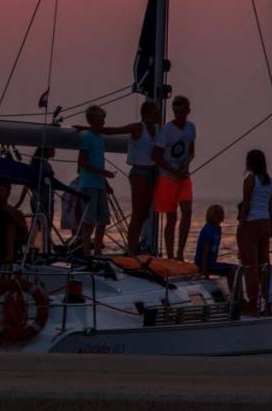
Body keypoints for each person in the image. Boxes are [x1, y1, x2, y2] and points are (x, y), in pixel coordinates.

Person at [100, 101, 160, 255]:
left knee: (145, 212)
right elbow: (115, 131)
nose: (158, 114)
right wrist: (92, 129)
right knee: (138, 212)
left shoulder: (158, 129)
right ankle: (132, 249)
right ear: (147, 113)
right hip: (139, 172)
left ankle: (136, 244)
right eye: (155, 112)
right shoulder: (138, 127)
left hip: (153, 173)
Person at [153, 95, 196, 260]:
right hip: (167, 177)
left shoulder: (191, 128)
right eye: (176, 111)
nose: (179, 114)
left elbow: (191, 151)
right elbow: (156, 155)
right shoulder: (167, 130)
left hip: (183, 177)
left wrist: (185, 165)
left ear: (187, 111)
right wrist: (173, 170)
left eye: (182, 111)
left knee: (187, 211)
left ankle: (180, 253)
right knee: (171, 217)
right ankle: (170, 255)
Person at [237, 149, 272, 315]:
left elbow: (246, 204)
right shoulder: (270, 183)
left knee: (250, 264)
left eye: (247, 160)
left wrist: (241, 223)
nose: (246, 162)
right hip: (265, 224)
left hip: (251, 224)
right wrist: (270, 224)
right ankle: (268, 300)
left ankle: (253, 302)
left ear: (252, 162)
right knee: (264, 263)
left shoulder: (250, 180)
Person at [77, 105, 114, 256]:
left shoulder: (99, 138)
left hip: (99, 184)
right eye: (101, 120)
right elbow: (82, 163)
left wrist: (106, 184)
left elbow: (99, 162)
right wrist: (103, 172)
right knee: (89, 220)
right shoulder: (87, 137)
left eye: (103, 120)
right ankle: (86, 251)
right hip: (89, 183)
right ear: (92, 121)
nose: (103, 123)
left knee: (104, 219)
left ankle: (98, 251)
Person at [16, 147, 55, 251]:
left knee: (39, 225)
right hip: (42, 200)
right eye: (52, 148)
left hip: (43, 200)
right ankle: (46, 250)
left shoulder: (40, 165)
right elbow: (28, 184)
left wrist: (20, 202)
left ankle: (33, 247)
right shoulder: (44, 166)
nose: (54, 150)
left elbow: (27, 185)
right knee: (43, 226)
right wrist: (19, 202)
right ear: (46, 150)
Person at [193, 205, 237, 284]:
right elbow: (205, 251)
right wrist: (204, 270)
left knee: (236, 268)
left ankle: (234, 292)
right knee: (233, 269)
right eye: (218, 213)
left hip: (211, 263)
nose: (221, 215)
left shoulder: (218, 229)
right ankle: (235, 294)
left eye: (221, 213)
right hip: (204, 264)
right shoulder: (208, 229)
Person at [0, 182, 29, 258]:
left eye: (0, 190)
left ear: (8, 192)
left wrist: (10, 237)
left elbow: (26, 239)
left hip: (10, 255)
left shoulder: (17, 214)